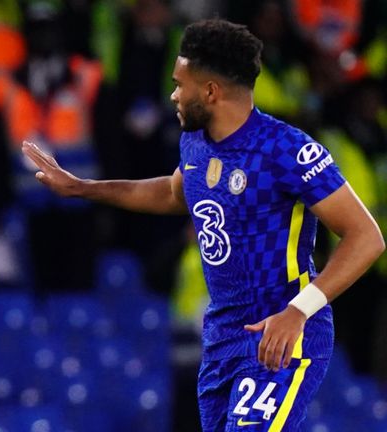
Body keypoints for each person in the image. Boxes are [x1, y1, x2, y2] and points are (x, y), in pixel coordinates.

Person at [22, 19, 384, 431]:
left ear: (210, 91)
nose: (173, 93)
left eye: (180, 83)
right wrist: (84, 188)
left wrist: (298, 312)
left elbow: (366, 236)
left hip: (280, 332)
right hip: (222, 338)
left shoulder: (286, 149)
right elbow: (175, 194)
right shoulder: (195, 142)